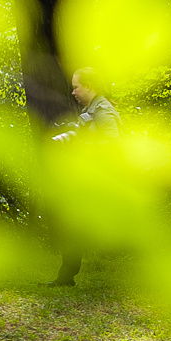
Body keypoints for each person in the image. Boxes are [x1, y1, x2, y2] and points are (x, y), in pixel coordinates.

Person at [48, 67, 121, 286]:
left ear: (89, 86)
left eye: (76, 87)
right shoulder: (92, 108)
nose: (73, 92)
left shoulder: (104, 111)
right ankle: (66, 276)